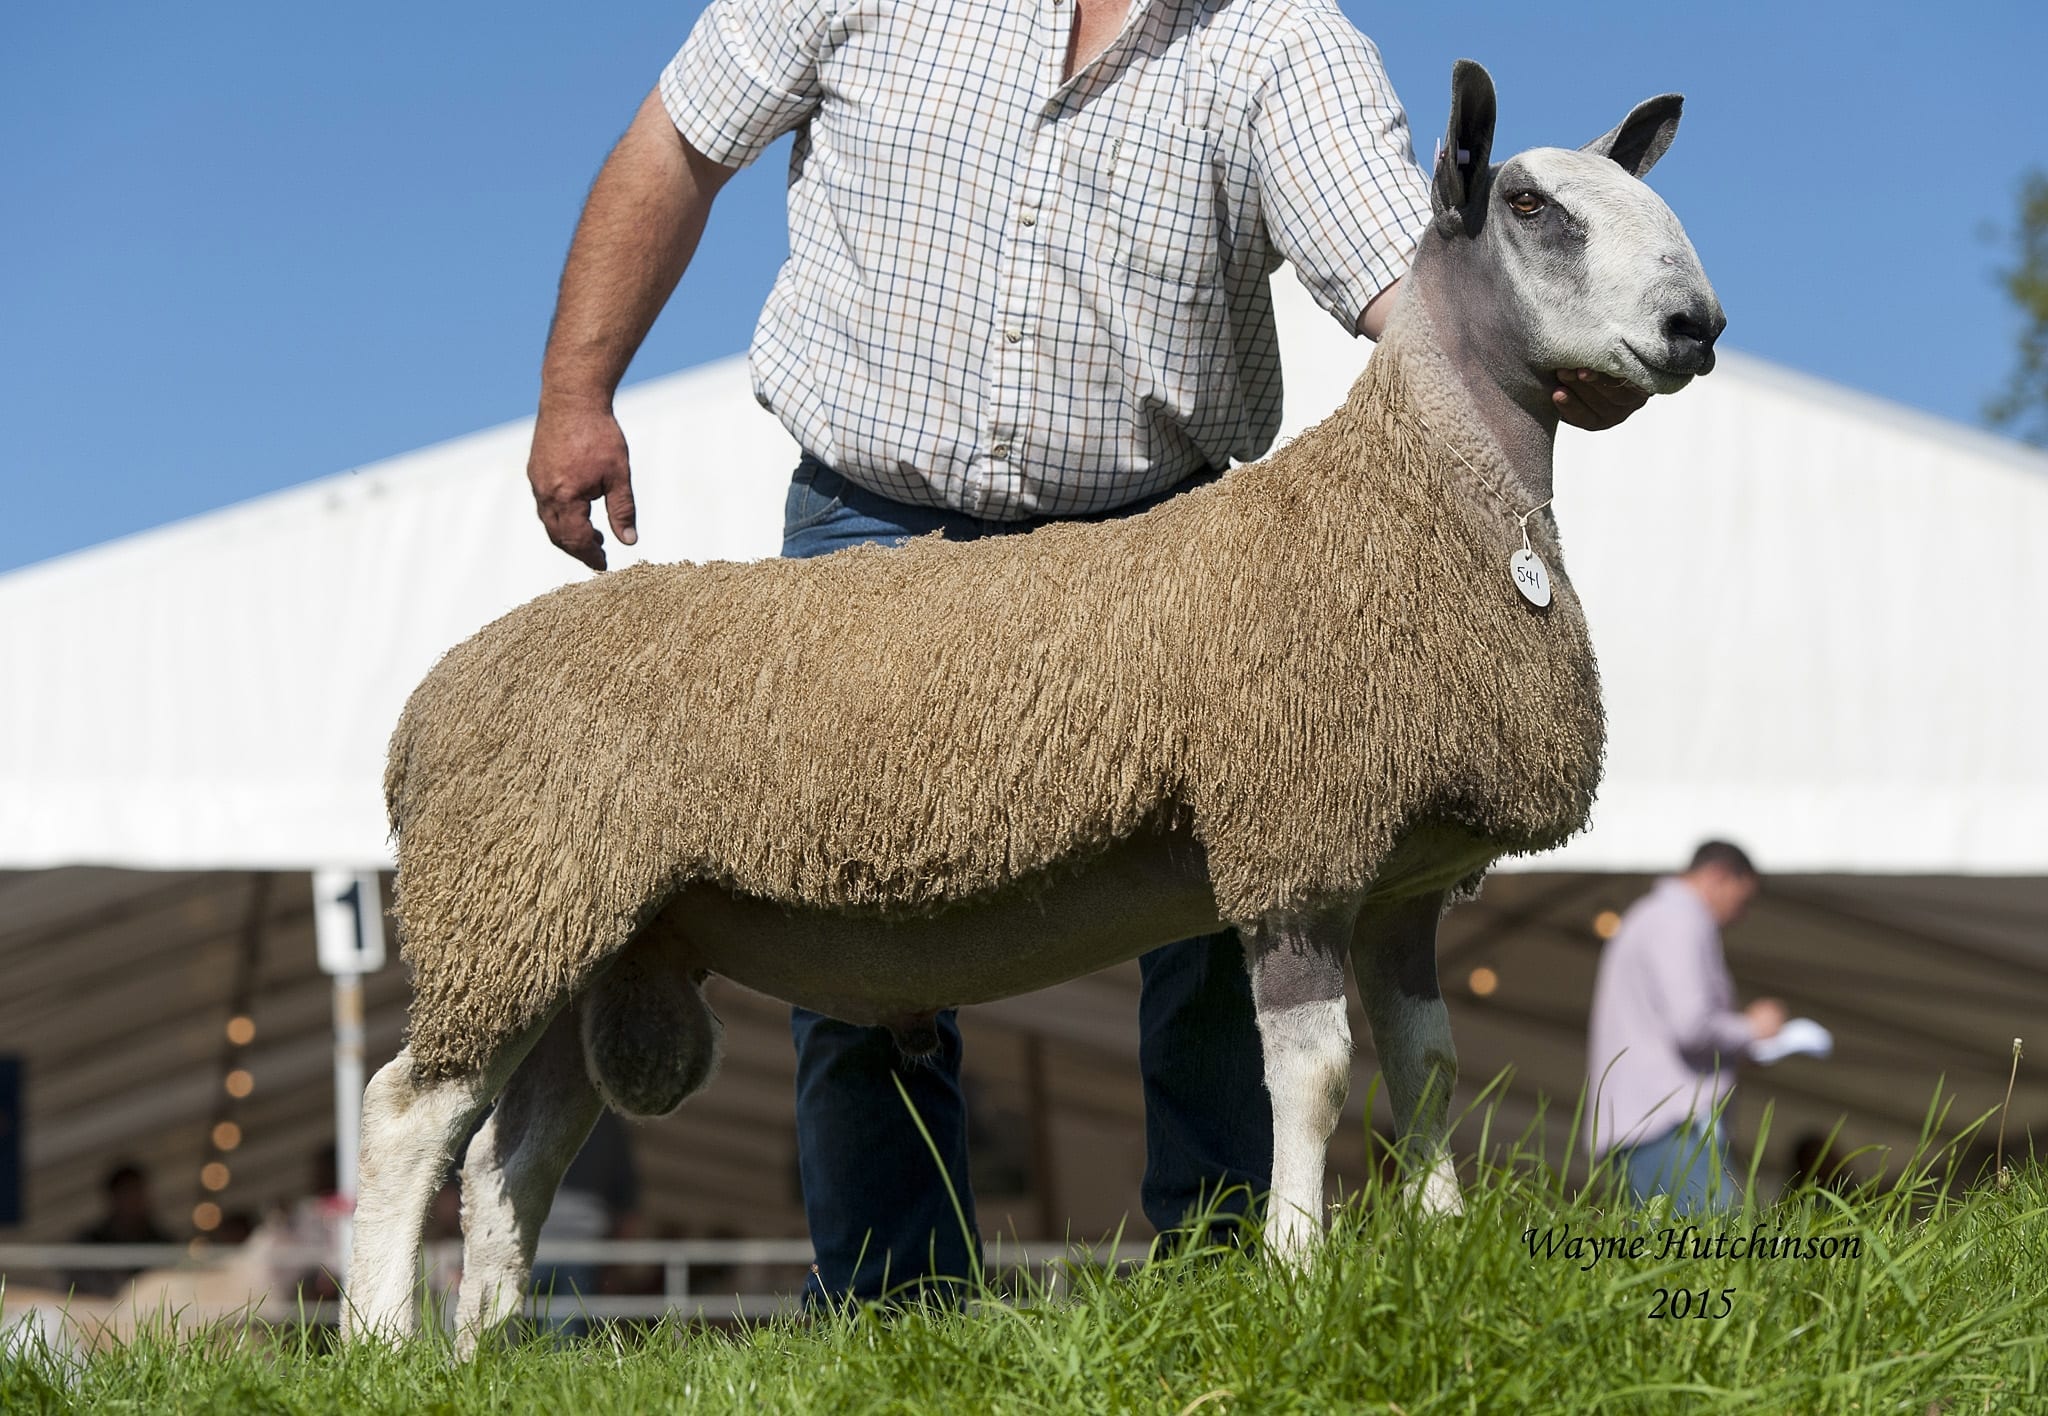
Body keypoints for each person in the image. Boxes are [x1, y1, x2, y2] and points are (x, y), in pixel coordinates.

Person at [526, 0, 1647, 1300]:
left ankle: (1227, 1298)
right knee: (845, 921)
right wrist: (575, 393)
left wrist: (1544, 345)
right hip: (871, 528)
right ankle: (902, 1331)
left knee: (1243, 902)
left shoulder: (1277, 38)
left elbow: (1400, 280)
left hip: (1156, 542)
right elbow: (679, 145)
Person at [1586, 841, 1785, 1212]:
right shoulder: (1680, 919)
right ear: (1719, 876)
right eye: (1742, 901)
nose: (1740, 916)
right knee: (1723, 1235)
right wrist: (1753, 1030)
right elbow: (1691, 1024)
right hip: (1664, 1121)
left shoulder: (1654, 916)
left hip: (1648, 1120)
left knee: (1663, 1251)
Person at [69, 1161, 173, 1296]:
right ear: (113, 1197)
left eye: (138, 1193)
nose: (134, 1202)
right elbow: (80, 1287)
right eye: (127, 1193)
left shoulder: (163, 1242)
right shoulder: (90, 1242)